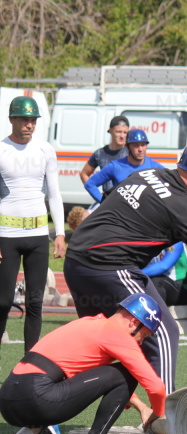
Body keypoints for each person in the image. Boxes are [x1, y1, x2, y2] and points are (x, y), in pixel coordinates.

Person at [64, 142, 187, 394]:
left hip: (76, 259)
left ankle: (40, 398)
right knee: (163, 330)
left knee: (96, 343)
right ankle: (164, 417)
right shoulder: (184, 207)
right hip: (109, 264)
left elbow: (110, 201)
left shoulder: (146, 173)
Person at [1, 293, 167, 434]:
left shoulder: (90, 323)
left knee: (61, 384)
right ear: (134, 323)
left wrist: (142, 407)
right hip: (37, 398)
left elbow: (93, 382)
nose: (141, 342)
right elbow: (156, 387)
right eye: (144, 335)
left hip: (9, 397)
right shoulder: (118, 336)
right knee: (127, 373)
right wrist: (158, 417)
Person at [0, 96, 66, 356]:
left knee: (36, 302)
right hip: (6, 235)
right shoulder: (1, 149)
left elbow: (55, 194)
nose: (30, 125)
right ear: (12, 119)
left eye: (33, 120)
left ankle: (31, 364)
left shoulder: (45, 149)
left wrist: (59, 233)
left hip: (38, 235)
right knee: (3, 301)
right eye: (25, 119)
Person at [83, 129, 164, 203]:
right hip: (123, 216)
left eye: (143, 145)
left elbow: (172, 184)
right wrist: (105, 203)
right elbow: (90, 184)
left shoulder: (155, 167)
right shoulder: (115, 166)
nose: (140, 149)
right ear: (127, 147)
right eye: (136, 145)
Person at [79, 116, 130, 195]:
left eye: (125, 132)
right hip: (107, 201)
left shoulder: (131, 154)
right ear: (110, 131)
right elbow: (84, 174)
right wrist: (98, 196)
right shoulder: (100, 153)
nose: (122, 136)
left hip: (126, 201)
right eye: (118, 132)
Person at [143, 242, 187, 307]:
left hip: (179, 291)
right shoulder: (148, 241)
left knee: (156, 281)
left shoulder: (174, 243)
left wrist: (135, 273)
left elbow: (164, 265)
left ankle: (158, 314)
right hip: (159, 283)